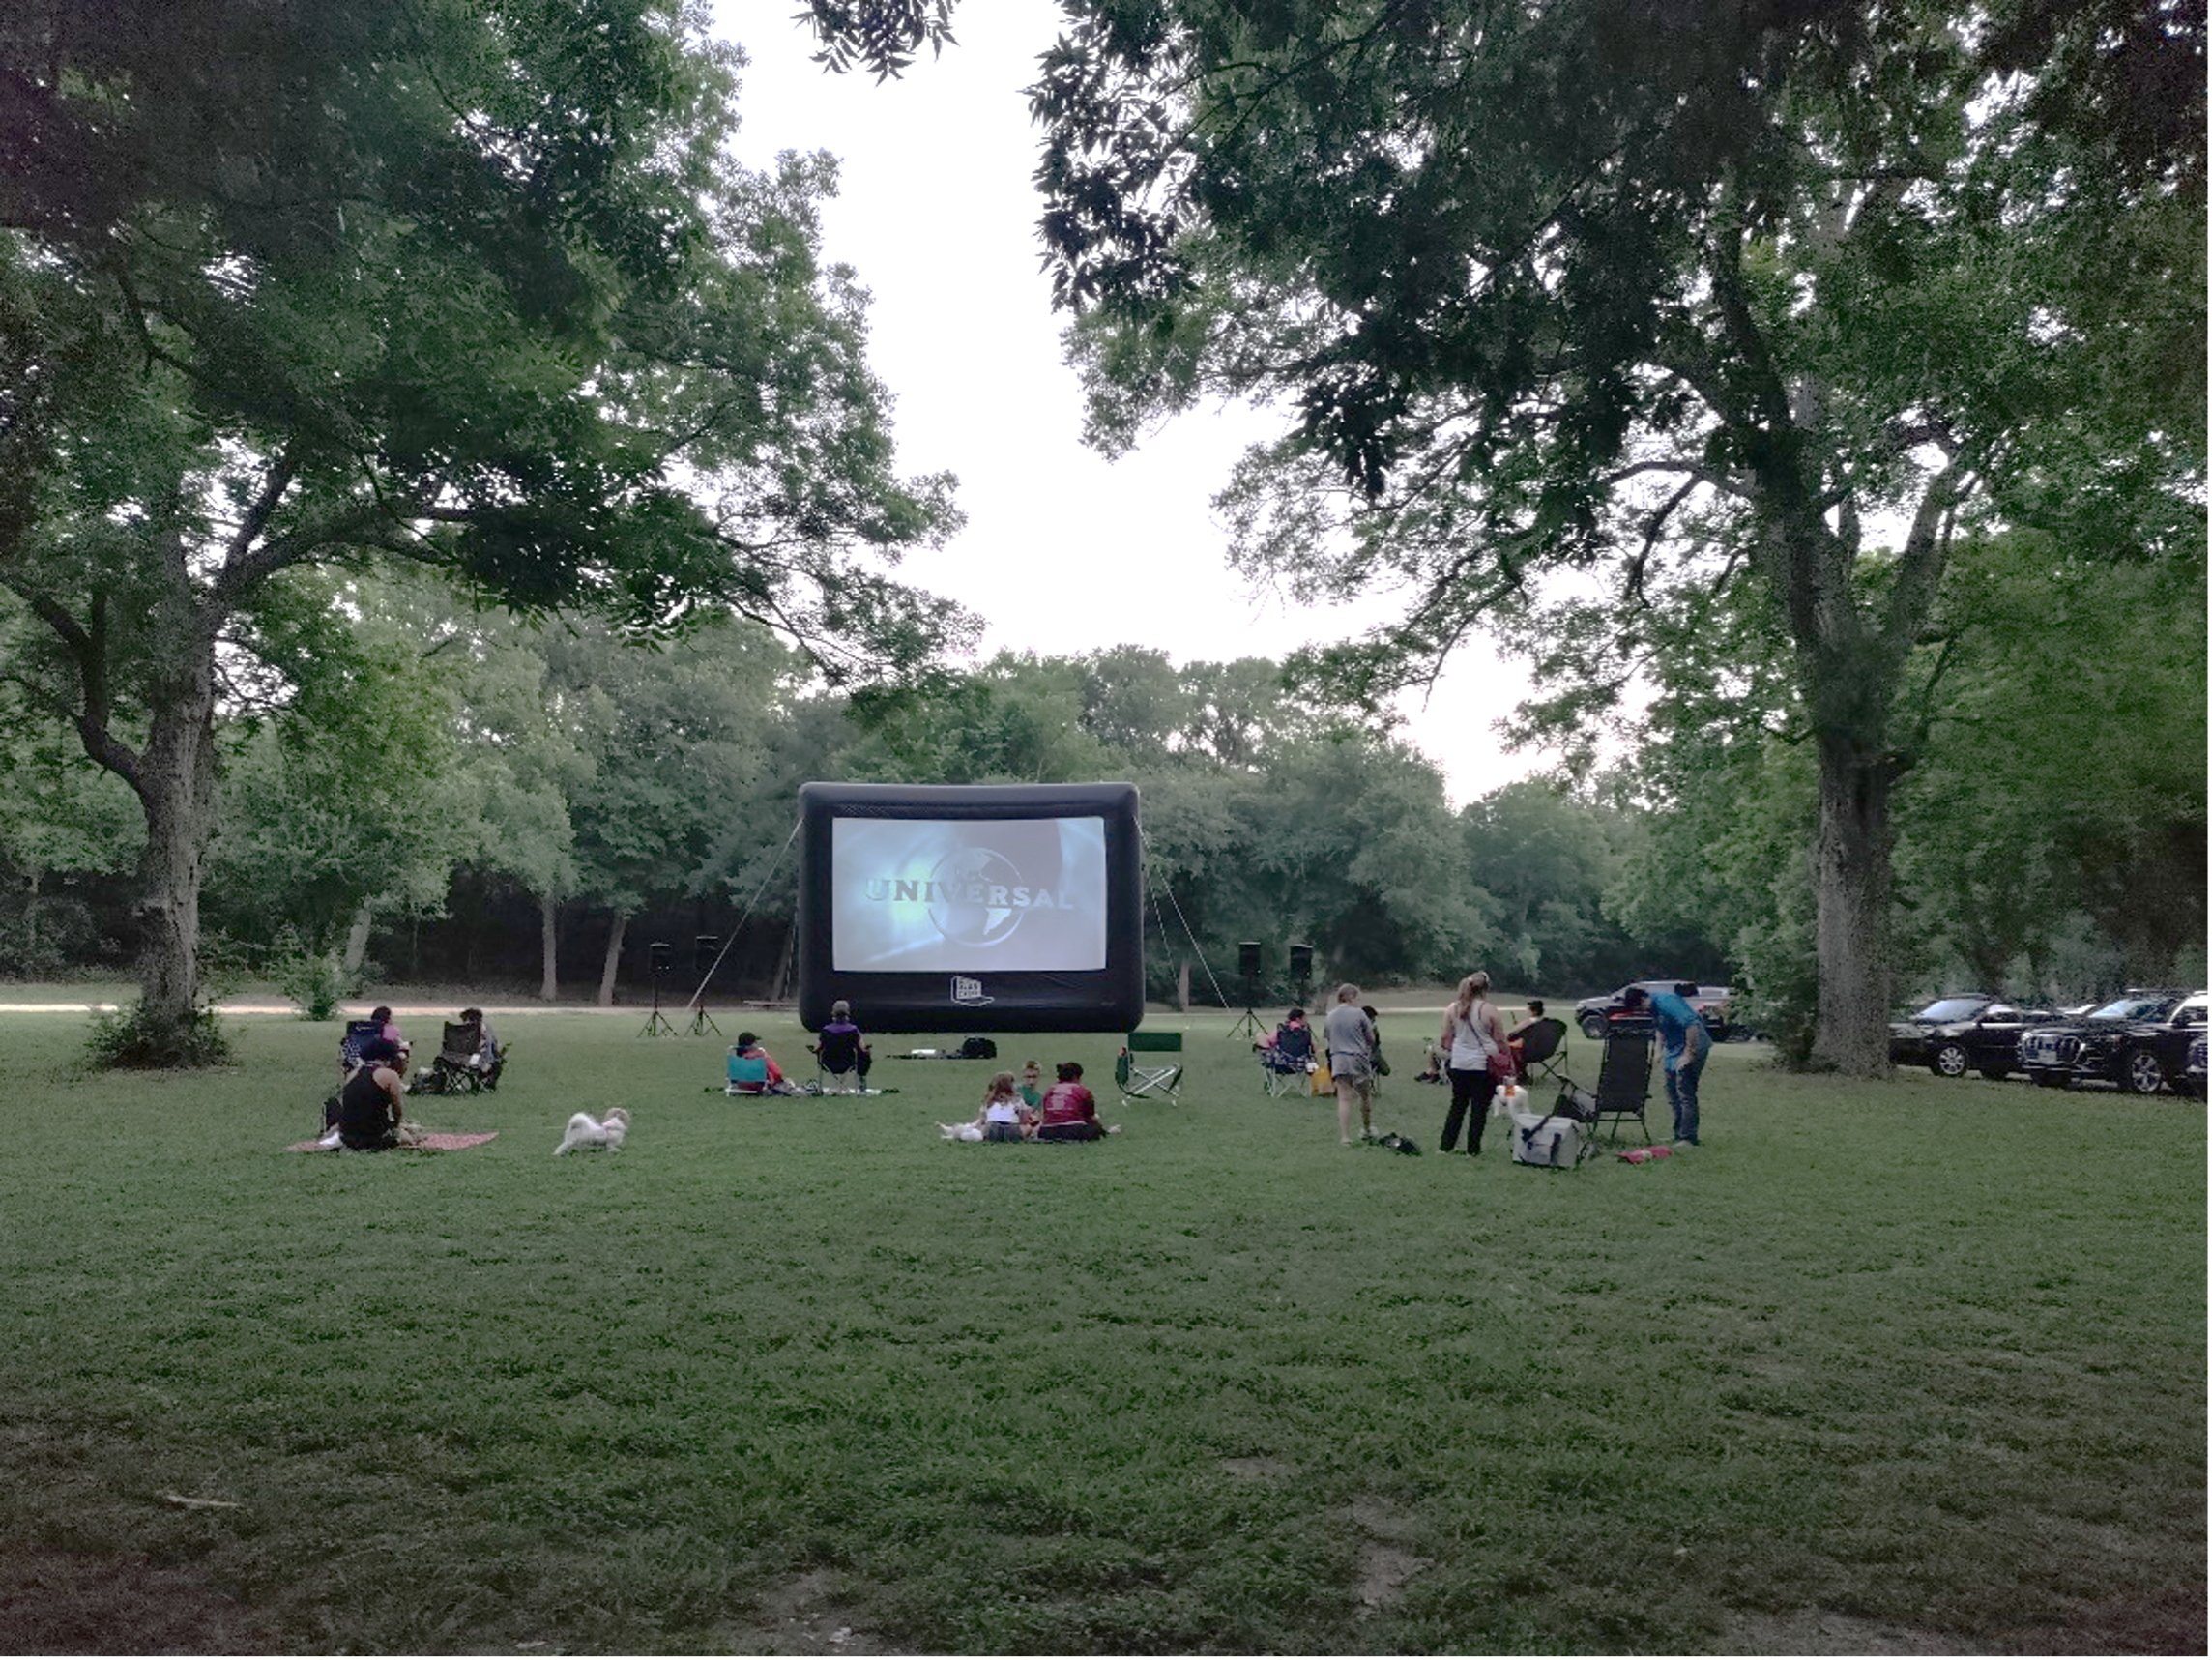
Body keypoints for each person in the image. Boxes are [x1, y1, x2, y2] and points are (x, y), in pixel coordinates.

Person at [1439, 972, 1513, 1155]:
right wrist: (1507, 1055)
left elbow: (1445, 1038)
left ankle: (1446, 1146)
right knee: (1479, 1108)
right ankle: (1473, 1149)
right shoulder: (1489, 1010)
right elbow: (1500, 1039)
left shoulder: (1452, 1008)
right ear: (1486, 989)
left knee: (1457, 1105)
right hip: (1482, 1065)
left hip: (1458, 1063)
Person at [1630, 982, 1710, 1145]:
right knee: (1671, 1092)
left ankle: (1688, 1137)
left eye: (1641, 1007)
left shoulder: (1666, 1001)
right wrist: (1659, 1051)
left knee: (1685, 1091)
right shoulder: (1652, 1006)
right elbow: (1660, 1027)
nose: (1642, 1011)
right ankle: (1679, 1134)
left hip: (1694, 1044)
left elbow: (1692, 1024)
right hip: (1674, 1048)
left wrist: (1689, 1054)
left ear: (1644, 998)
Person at [1323, 983, 1379, 1146]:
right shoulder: (1359, 1014)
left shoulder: (1330, 1016)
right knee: (1365, 1095)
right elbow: (1371, 1038)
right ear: (1351, 997)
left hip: (1338, 1059)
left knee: (1344, 1098)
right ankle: (1367, 1128)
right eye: (1357, 998)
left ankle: (1345, 1137)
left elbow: (1328, 1037)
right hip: (1358, 1058)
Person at [335, 1037, 409, 1150]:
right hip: (375, 1136)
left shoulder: (353, 1074)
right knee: (411, 1136)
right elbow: (397, 1110)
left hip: (347, 1136)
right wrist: (397, 1126)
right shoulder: (390, 1075)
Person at [1034, 1062, 1103, 1142]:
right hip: (1073, 1131)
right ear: (1076, 1077)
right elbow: (1090, 1117)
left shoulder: (1050, 1090)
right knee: (1094, 1127)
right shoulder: (1082, 1090)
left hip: (1047, 1132)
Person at [818, 999, 872, 1083]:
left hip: (828, 1064)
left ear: (833, 1014)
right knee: (865, 1054)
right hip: (849, 1063)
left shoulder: (826, 1030)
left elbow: (817, 1048)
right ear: (847, 1015)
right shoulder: (853, 1030)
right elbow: (862, 1048)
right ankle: (861, 1077)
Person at [732, 1031, 800, 1095]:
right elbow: (777, 1073)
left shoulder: (737, 1059)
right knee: (788, 1082)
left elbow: (731, 1076)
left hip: (741, 1085)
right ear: (754, 1044)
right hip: (759, 1085)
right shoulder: (761, 1055)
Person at [974, 1070, 1032, 1142]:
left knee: (982, 1127)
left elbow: (983, 1119)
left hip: (992, 1128)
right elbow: (1024, 1120)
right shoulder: (1017, 1099)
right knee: (1028, 1127)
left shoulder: (989, 1100)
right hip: (1012, 1129)